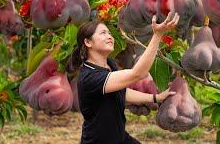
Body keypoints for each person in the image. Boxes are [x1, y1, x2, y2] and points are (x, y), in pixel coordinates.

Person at [66, 12, 180, 144]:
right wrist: (157, 35)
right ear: (88, 42)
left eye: (109, 33)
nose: (109, 36)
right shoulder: (89, 77)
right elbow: (138, 73)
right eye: (103, 33)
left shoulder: (110, 64)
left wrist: (154, 98)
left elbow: (121, 92)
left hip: (119, 138)